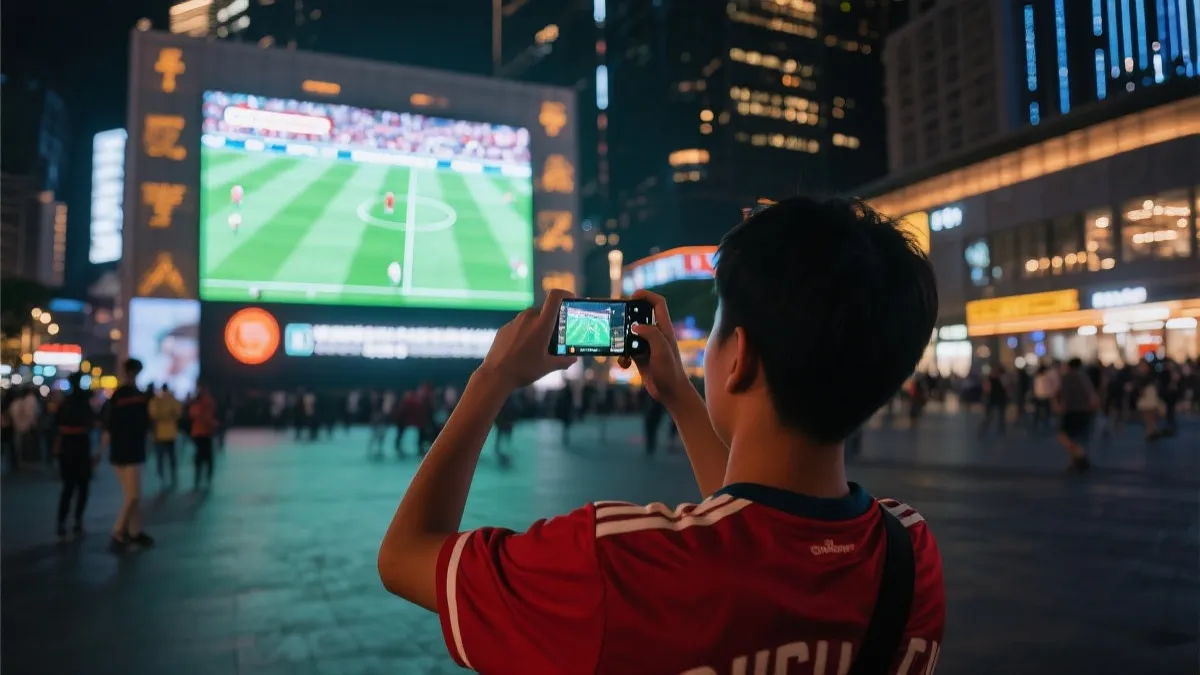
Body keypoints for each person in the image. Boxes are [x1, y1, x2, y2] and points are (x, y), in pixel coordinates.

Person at [377, 197, 944, 674]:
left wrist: (492, 377)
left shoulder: (613, 564)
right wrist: (678, 395)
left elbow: (403, 556)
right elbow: (754, 523)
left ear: (738, 357)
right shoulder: (911, 553)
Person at [102, 358, 154, 549]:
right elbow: (145, 423)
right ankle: (119, 530)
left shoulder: (117, 396)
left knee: (132, 494)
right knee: (133, 495)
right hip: (131, 449)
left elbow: (107, 423)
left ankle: (134, 531)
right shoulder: (139, 397)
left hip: (120, 449)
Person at [54, 373, 100, 539]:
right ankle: (77, 520)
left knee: (68, 487)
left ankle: (62, 521)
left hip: (67, 449)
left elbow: (56, 426)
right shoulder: (84, 402)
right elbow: (93, 423)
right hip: (81, 448)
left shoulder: (64, 404)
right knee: (82, 487)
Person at [1055, 358, 1096, 473]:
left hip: (1070, 410)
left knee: (1063, 436)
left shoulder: (1067, 378)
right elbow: (1090, 393)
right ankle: (1075, 461)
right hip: (1084, 410)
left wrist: (1058, 405)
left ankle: (1080, 455)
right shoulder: (1084, 377)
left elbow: (1059, 392)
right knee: (1077, 436)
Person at [148, 384, 182, 486]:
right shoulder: (173, 401)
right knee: (172, 456)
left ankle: (161, 478)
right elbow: (178, 413)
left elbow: (153, 414)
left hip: (159, 433)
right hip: (171, 433)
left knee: (160, 457)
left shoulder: (155, 401)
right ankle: (173, 476)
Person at [189, 381, 218, 489]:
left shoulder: (197, 401)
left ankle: (199, 477)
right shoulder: (208, 401)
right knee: (207, 456)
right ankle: (206, 477)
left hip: (199, 432)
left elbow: (192, 414)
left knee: (200, 456)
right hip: (204, 432)